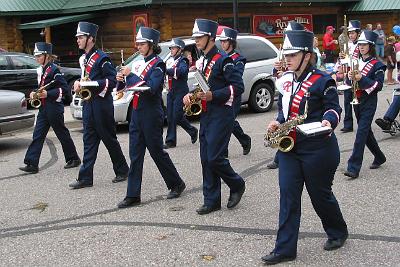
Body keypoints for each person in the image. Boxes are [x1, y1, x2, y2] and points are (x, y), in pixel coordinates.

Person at [262, 29, 348, 265]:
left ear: (307, 56)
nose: (287, 59)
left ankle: (338, 231)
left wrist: (328, 121)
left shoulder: (323, 81)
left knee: (320, 196)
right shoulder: (286, 80)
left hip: (318, 148)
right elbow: (284, 111)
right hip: (290, 148)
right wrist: (277, 122)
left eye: (292, 55)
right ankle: (285, 249)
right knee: (288, 197)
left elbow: (334, 108)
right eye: (286, 55)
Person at [116, 27, 186, 208]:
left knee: (156, 152)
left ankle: (176, 183)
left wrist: (130, 75)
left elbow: (152, 88)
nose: (138, 46)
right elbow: (125, 89)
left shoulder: (158, 64)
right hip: (137, 113)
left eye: (142, 43)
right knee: (135, 155)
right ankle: (133, 195)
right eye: (137, 43)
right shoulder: (138, 63)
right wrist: (121, 79)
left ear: (151, 45)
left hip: (151, 113)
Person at [183, 19, 246, 215]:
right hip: (207, 113)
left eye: (199, 37)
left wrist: (214, 95)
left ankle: (237, 184)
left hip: (222, 113)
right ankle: (211, 200)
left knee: (215, 157)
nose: (196, 41)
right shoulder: (202, 61)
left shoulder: (223, 60)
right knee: (205, 158)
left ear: (210, 37)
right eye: (195, 37)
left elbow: (238, 87)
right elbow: (204, 85)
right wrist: (190, 94)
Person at [69, 22, 129, 189]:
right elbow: (86, 79)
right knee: (88, 141)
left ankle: (123, 169)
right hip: (89, 104)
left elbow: (112, 81)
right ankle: (85, 177)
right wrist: (78, 83)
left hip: (102, 105)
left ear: (91, 39)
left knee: (109, 139)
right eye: (78, 37)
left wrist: (89, 84)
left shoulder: (102, 59)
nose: (78, 40)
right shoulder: (85, 58)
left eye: (81, 37)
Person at [19, 42, 81, 174]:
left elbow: (64, 89)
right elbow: (44, 86)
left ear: (47, 56)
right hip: (44, 108)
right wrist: (34, 92)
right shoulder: (42, 70)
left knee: (61, 134)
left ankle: (73, 158)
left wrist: (48, 94)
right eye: (36, 56)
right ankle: (32, 163)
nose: (36, 58)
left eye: (39, 56)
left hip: (54, 107)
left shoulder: (54, 70)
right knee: (38, 135)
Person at [344, 30, 387, 179]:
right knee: (366, 132)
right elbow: (349, 83)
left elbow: (378, 86)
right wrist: (350, 78)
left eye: (364, 44)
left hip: (369, 102)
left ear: (371, 46)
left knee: (361, 133)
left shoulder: (378, 65)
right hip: (357, 100)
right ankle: (380, 157)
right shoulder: (356, 61)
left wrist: (361, 78)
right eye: (360, 44)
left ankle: (353, 167)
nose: (361, 47)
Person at [218, 26, 251, 156]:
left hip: (234, 93)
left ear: (231, 42)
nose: (222, 44)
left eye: (225, 41)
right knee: (227, 121)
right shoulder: (220, 57)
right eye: (221, 41)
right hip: (222, 92)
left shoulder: (238, 59)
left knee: (228, 121)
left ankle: (223, 152)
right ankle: (244, 139)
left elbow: (236, 75)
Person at [164, 38, 198, 149]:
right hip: (171, 91)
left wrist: (167, 70)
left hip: (180, 91)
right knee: (169, 116)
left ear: (179, 49)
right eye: (171, 48)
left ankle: (192, 130)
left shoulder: (183, 60)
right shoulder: (170, 60)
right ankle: (170, 141)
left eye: (173, 48)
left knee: (177, 115)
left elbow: (182, 72)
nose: (171, 50)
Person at [339, 20, 362, 133]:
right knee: (347, 100)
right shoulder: (346, 45)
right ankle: (348, 124)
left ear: (358, 33)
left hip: (357, 74)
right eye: (350, 33)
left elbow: (360, 60)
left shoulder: (361, 44)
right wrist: (342, 58)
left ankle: (361, 122)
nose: (351, 35)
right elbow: (344, 61)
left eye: (353, 33)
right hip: (348, 74)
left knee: (357, 99)